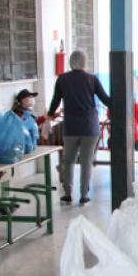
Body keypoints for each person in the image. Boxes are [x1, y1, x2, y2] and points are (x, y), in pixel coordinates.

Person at [47, 50, 111, 205]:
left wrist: (49, 115)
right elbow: (106, 100)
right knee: (86, 161)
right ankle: (83, 195)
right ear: (84, 62)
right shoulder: (92, 79)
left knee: (68, 160)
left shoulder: (62, 79)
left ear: (70, 62)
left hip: (70, 127)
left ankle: (68, 194)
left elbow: (55, 101)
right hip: (89, 127)